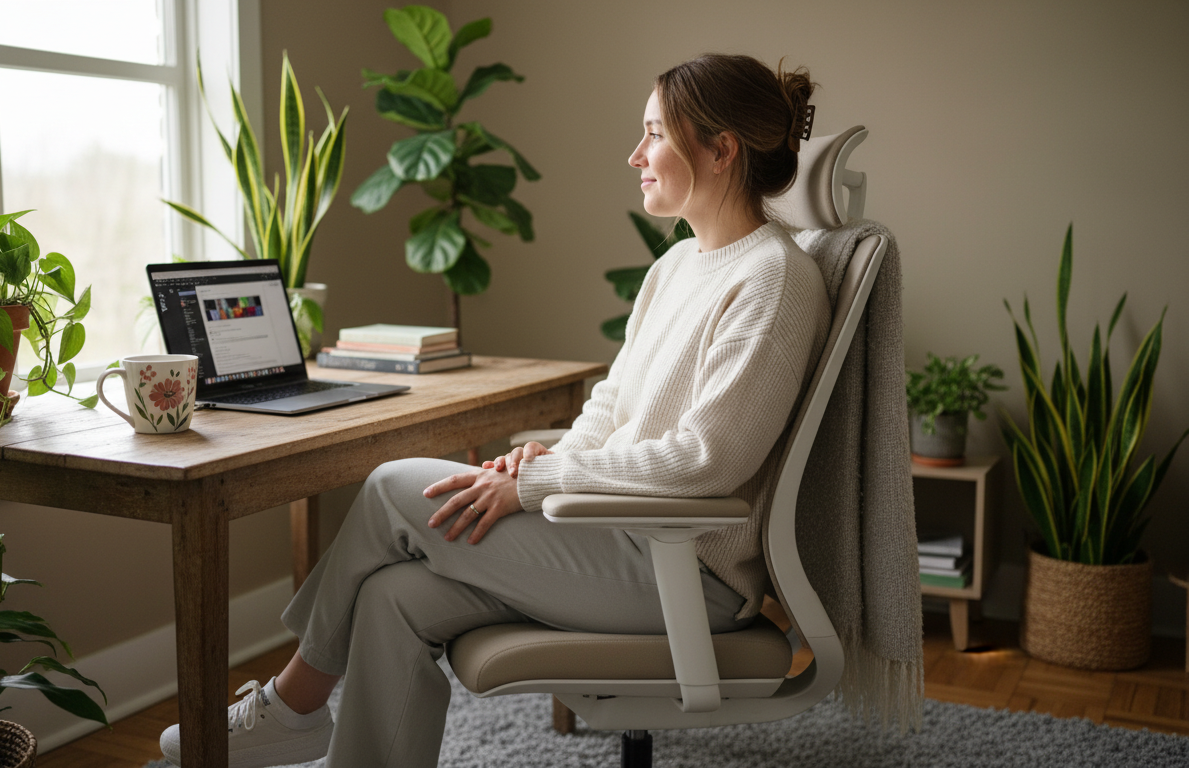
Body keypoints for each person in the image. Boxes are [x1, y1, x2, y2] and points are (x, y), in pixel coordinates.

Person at [159, 53, 832, 768]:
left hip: (683, 573)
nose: (635, 155)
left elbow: (708, 460)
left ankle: (294, 703)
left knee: (390, 487)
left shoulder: (774, 279)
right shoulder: (676, 265)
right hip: (618, 538)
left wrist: (535, 485)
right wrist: (548, 460)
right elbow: (612, 405)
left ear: (722, 149)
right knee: (392, 596)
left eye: (656, 134)